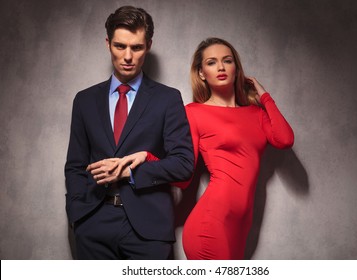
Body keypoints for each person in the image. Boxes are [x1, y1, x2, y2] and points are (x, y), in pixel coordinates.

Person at [64, 6, 194, 260]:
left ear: (148, 46)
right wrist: (77, 214)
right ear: (108, 43)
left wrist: (132, 172)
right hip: (93, 221)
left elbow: (183, 164)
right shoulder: (84, 100)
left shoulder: (168, 99)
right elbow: (75, 165)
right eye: (120, 46)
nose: (127, 56)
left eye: (137, 47)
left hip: (148, 227)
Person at [178, 37, 294, 259]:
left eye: (227, 60)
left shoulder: (257, 113)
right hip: (210, 222)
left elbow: (285, 140)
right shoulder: (193, 112)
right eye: (211, 62)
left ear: (236, 68)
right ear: (201, 73)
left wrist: (265, 96)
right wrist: (145, 159)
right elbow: (183, 175)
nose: (220, 67)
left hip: (241, 226)